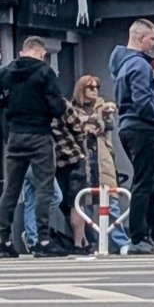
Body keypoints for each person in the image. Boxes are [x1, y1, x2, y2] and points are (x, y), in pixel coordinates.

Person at [0, 37, 69, 258]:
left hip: (15, 135)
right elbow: (57, 107)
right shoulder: (45, 72)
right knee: (44, 188)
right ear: (42, 53)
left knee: (11, 189)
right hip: (39, 135)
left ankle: (3, 239)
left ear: (23, 51)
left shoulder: (6, 73)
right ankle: (43, 240)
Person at [111, 18, 154, 254]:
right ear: (140, 37)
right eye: (152, 38)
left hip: (129, 126)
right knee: (145, 183)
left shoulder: (122, 64)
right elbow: (143, 101)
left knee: (151, 182)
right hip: (144, 128)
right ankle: (138, 236)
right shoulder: (140, 66)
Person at [71, 76, 131, 254]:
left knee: (110, 201)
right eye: (90, 87)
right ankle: (93, 240)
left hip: (102, 159)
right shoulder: (72, 109)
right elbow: (74, 126)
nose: (94, 90)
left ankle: (120, 241)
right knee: (86, 203)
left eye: (97, 86)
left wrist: (94, 122)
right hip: (83, 159)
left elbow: (107, 123)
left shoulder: (104, 107)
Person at [50, 85, 90, 252]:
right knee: (75, 202)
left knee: (65, 204)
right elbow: (79, 129)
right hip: (73, 157)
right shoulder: (62, 104)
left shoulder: (36, 109)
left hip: (55, 162)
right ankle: (80, 243)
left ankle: (81, 242)